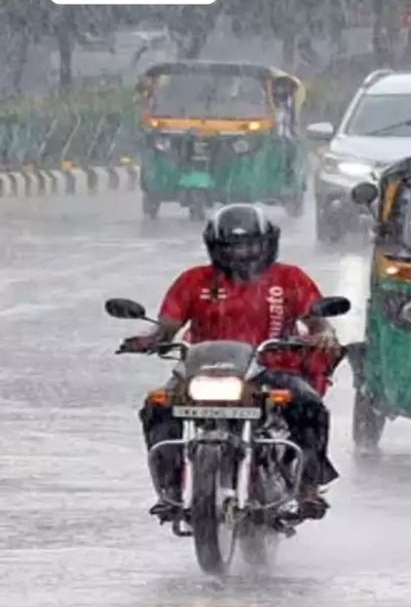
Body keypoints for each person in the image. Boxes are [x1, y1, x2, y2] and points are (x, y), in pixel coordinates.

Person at [119, 204, 342, 522]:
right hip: (202, 370)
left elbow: (319, 324)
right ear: (216, 247)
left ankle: (308, 485)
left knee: (309, 406)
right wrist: (145, 339)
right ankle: (168, 490)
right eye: (233, 246)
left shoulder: (290, 278)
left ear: (267, 244)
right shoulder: (193, 280)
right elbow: (166, 327)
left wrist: (325, 336)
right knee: (158, 406)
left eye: (250, 245)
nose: (242, 253)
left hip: (271, 370)